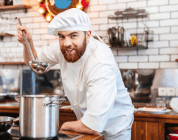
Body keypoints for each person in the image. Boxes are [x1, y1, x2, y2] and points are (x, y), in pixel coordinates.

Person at [16, 8, 134, 139]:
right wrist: (28, 43)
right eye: (61, 36)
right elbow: (33, 61)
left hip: (115, 130)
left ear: (88, 35)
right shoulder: (63, 49)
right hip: (85, 126)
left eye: (73, 35)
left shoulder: (100, 61)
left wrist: (64, 126)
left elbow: (93, 126)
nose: (67, 43)